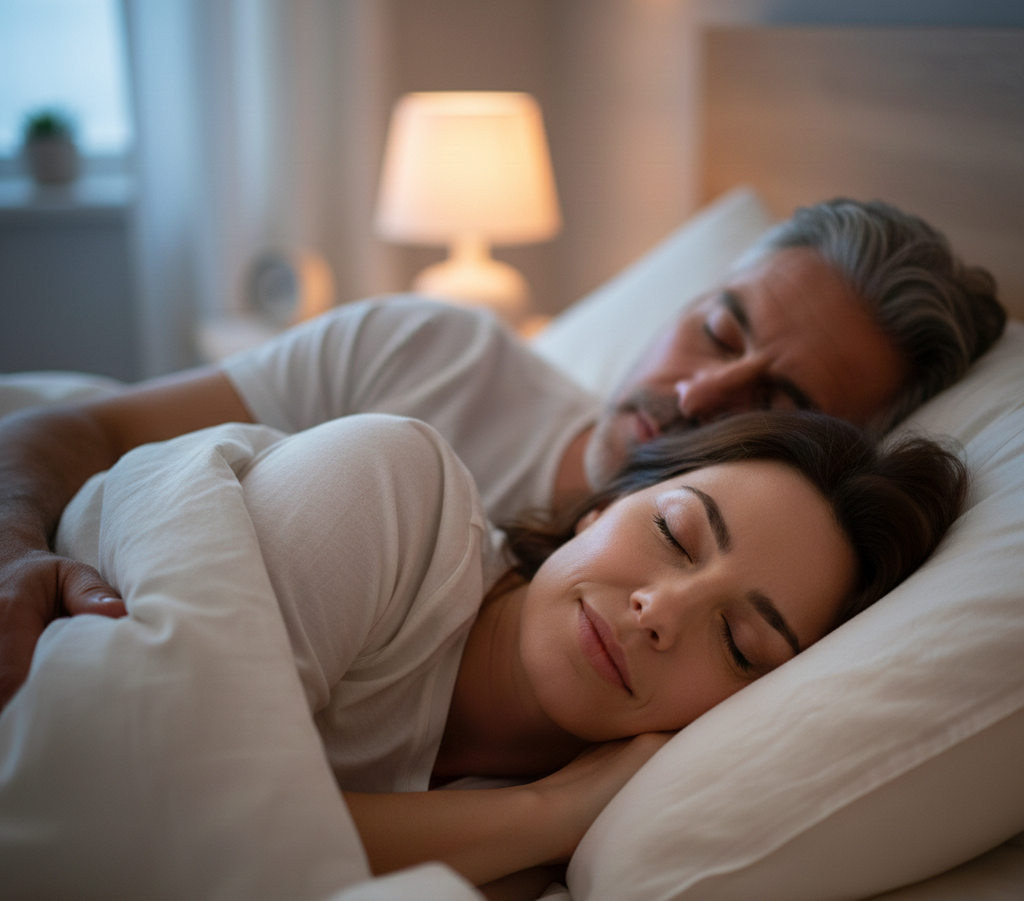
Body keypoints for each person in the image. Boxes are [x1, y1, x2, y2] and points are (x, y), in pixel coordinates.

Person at [0, 198, 1004, 706]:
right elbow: (72, 429)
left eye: (779, 400)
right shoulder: (432, 353)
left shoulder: (667, 652)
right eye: (720, 327)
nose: (701, 392)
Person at [230, 409, 966, 901]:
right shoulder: (392, 492)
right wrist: (549, 813)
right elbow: (199, 828)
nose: (661, 612)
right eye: (674, 535)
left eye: (740, 644)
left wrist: (555, 822)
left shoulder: (542, 865)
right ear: (604, 503)